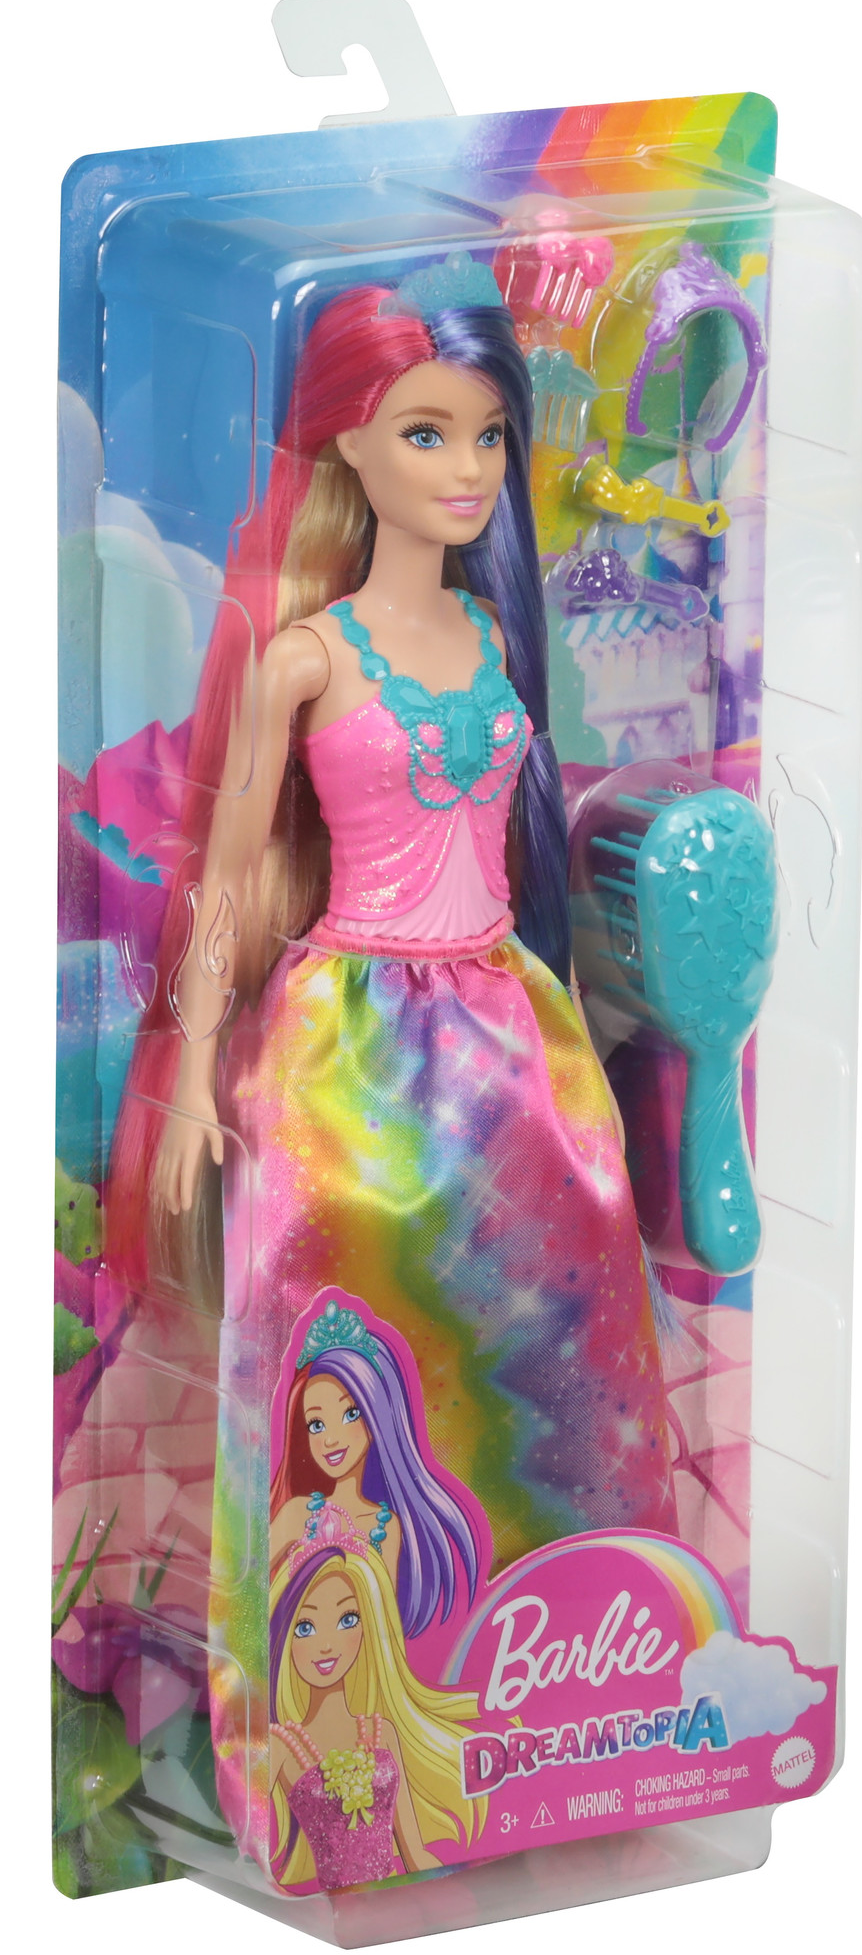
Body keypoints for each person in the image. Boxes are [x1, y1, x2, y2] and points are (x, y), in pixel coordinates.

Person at [110, 251, 677, 1862]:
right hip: (348, 1053)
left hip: (512, 1038)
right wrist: (194, 1075)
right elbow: (228, 883)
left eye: (488, 435)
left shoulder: (493, 635)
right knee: (339, 1388)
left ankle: (573, 1710)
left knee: (566, 1363)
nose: (468, 468)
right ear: (348, 441)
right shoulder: (307, 658)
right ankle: (331, 1755)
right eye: (428, 433)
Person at [269, 1538, 485, 1892]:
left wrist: (463, 1892)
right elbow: (246, 1846)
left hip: (394, 1899)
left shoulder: (380, 1732)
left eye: (348, 1619)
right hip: (330, 1903)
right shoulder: (282, 1744)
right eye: (305, 1627)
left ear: (368, 1624)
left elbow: (414, 1851)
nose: (326, 1645)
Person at [269, 1297, 485, 1636]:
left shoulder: (385, 1527)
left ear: (376, 1415)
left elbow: (382, 1629)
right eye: (316, 1424)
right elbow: (248, 1590)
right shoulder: (298, 1514)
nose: (330, 1439)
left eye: (350, 1414)